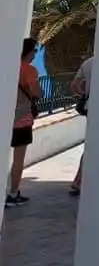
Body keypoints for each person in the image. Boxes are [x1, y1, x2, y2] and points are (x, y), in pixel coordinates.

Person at [6, 38, 41, 207]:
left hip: (6, 116)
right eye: (35, 51)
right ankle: (13, 193)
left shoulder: (8, 65)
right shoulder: (30, 70)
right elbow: (36, 93)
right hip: (21, 118)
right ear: (29, 51)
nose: (36, 54)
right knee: (18, 160)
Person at [69, 53, 93, 196]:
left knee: (90, 144)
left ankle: (78, 181)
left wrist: (84, 94)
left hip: (90, 106)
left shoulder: (88, 63)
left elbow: (74, 85)